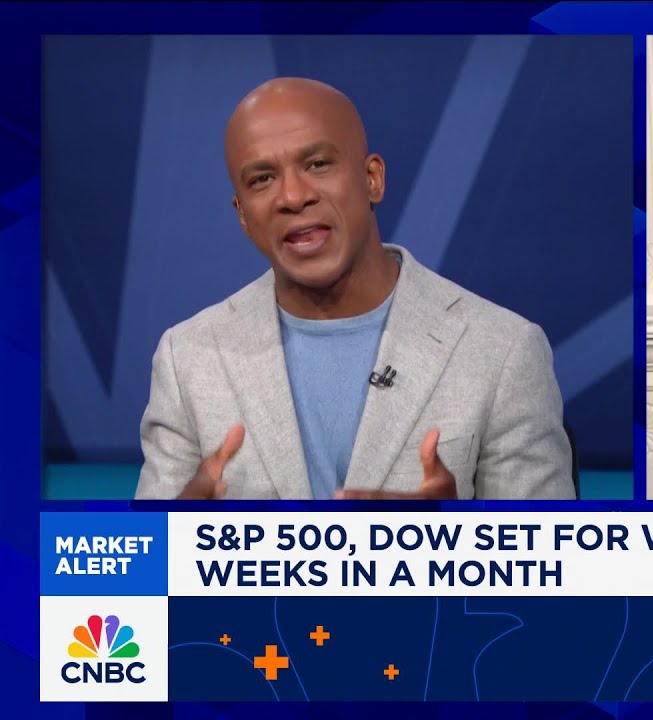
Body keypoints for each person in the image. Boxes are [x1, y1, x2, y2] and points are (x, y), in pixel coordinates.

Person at [134, 77, 575, 500]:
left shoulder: (502, 351)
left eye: (317, 164)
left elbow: (552, 549)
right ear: (243, 215)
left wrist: (451, 532)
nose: (293, 196)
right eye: (262, 179)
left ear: (372, 179)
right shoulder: (188, 358)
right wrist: (168, 533)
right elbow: (140, 551)